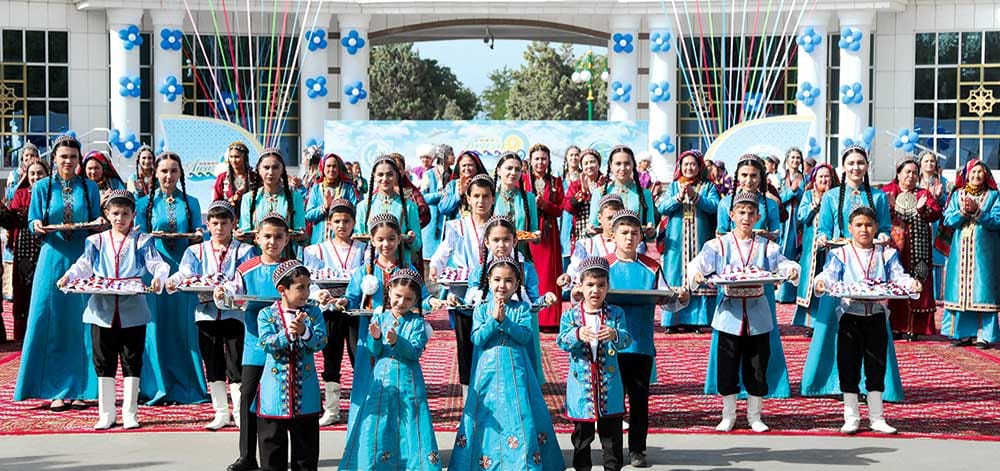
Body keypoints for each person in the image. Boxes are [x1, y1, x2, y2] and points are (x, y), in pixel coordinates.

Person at [688, 191, 800, 433]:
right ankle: (728, 414)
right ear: (731, 215)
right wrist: (697, 275)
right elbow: (698, 264)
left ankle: (754, 415)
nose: (746, 217)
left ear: (758, 216)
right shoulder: (718, 245)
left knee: (757, 365)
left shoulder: (767, 246)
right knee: (727, 365)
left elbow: (783, 263)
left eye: (751, 213)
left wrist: (791, 270)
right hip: (729, 314)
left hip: (758, 313)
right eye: (741, 212)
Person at [58, 190, 169, 429]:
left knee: (132, 358)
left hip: (133, 308)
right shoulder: (96, 241)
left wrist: (159, 277)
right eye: (115, 213)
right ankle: (106, 413)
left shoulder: (142, 241)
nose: (120, 218)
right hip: (102, 308)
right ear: (107, 214)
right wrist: (70, 275)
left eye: (125, 213)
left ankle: (130, 413)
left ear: (133, 215)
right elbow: (84, 264)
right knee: (103, 360)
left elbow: (157, 263)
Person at [801, 145, 903, 401]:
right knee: (835, 325)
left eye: (860, 163)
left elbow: (886, 228)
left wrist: (881, 236)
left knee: (872, 328)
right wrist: (825, 239)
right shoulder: (832, 197)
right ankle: (834, 383)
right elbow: (823, 228)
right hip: (841, 263)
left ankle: (875, 385)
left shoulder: (878, 197)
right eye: (851, 163)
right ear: (843, 167)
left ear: (867, 166)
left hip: (869, 266)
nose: (856, 167)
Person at [449, 256, 565, 471]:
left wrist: (506, 322)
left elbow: (524, 336)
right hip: (488, 372)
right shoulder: (482, 309)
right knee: (485, 413)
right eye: (497, 280)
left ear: (517, 284)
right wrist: (494, 320)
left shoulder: (521, 309)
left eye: (509, 281)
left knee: (519, 411)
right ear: (489, 282)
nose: (502, 285)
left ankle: (523, 463)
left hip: (516, 370)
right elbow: (477, 338)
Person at [590, 209, 687, 467]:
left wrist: (681, 298)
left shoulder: (652, 266)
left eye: (634, 233)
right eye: (624, 232)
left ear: (641, 236)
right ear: (612, 235)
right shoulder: (603, 264)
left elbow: (667, 300)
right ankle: (611, 452)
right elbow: (588, 296)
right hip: (608, 342)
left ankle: (637, 450)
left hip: (641, 342)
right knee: (611, 399)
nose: (629, 237)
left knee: (639, 399)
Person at [814, 206, 920, 434]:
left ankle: (876, 417)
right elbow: (829, 274)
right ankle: (851, 416)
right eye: (859, 225)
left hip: (876, 316)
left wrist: (911, 284)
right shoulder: (840, 253)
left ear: (876, 228)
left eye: (869, 225)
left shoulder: (886, 253)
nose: (864, 229)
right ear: (850, 228)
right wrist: (822, 282)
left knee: (877, 364)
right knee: (848, 364)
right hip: (850, 315)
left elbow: (898, 277)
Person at [15, 134, 102, 410]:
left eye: (73, 157)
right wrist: (37, 224)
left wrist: (99, 222)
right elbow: (33, 220)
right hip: (51, 258)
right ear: (54, 159)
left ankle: (83, 388)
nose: (68, 161)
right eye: (63, 156)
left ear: (79, 160)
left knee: (82, 323)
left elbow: (97, 219)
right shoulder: (42, 186)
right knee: (47, 319)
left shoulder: (89, 188)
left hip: (82, 258)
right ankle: (53, 389)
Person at [215, 213, 298, 471]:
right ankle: (247, 456)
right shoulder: (246, 268)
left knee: (291, 398)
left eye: (278, 237)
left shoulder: (293, 269)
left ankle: (295, 457)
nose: (272, 242)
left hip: (287, 346)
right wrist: (222, 293)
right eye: (267, 237)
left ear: (286, 240)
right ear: (258, 238)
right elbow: (231, 291)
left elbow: (309, 291)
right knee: (248, 395)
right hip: (256, 346)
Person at [339, 269, 441, 470]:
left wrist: (397, 341)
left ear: (415, 300)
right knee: (378, 423)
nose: (401, 302)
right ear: (389, 291)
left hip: (409, 383)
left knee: (411, 424)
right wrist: (376, 338)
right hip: (382, 383)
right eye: (398, 296)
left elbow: (414, 352)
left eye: (408, 299)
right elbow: (373, 350)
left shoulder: (418, 323)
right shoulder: (379, 318)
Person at [167, 200, 256, 430]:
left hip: (234, 314)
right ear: (207, 224)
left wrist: (227, 289)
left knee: (236, 363)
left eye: (224, 223)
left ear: (233, 223)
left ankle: (239, 413)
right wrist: (173, 281)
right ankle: (221, 412)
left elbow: (243, 278)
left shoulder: (244, 250)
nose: (219, 228)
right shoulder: (195, 250)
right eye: (214, 223)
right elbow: (186, 273)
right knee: (213, 362)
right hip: (205, 314)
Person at [334, 213, 425, 432]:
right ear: (372, 240)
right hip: (370, 333)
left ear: (399, 239)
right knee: (368, 378)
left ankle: (400, 437)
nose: (386, 244)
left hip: (401, 332)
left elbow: (423, 297)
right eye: (381, 239)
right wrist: (343, 301)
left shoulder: (408, 269)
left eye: (392, 239)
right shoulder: (364, 271)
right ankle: (367, 434)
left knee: (400, 381)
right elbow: (352, 297)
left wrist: (435, 300)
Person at [135, 152, 206, 406]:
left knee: (183, 326)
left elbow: (200, 232)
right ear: (155, 173)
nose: (168, 176)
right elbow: (139, 238)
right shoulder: (143, 204)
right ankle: (157, 387)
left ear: (180, 174)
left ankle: (187, 388)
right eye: (164, 171)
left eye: (173, 171)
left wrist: (197, 234)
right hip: (154, 269)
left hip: (184, 267)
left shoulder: (192, 202)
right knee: (155, 326)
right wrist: (152, 237)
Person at [557, 256, 632, 471]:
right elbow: (561, 341)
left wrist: (615, 334)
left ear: (608, 287)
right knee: (582, 437)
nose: (595, 290)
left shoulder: (616, 314)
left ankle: (613, 468)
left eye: (601, 285)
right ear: (580, 286)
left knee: (612, 438)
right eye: (590, 285)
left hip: (610, 385)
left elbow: (627, 339)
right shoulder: (571, 316)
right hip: (581, 388)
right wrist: (577, 334)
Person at [465, 215, 557, 387]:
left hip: (519, 323)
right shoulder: (480, 271)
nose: (501, 245)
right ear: (487, 242)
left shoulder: (526, 268)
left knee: (522, 374)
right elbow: (470, 300)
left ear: (515, 241)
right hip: (488, 327)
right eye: (496, 240)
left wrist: (546, 299)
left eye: (506, 239)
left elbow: (533, 301)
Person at [255, 260, 327, 471]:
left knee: (306, 456)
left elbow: (321, 341)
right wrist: (288, 334)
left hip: (306, 395)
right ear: (282, 290)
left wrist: (305, 331)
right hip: (274, 395)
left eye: (308, 286)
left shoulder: (313, 313)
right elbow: (266, 343)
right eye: (300, 287)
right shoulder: (266, 314)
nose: (306, 292)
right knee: (272, 455)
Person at [427, 175, 496, 393]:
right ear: (467, 198)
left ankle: (490, 391)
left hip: (493, 290)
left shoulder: (499, 225)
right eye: (476, 196)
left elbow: (510, 251)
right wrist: (435, 266)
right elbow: (444, 250)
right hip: (462, 291)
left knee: (490, 340)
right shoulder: (457, 226)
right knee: (465, 341)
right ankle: (469, 394)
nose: (481, 201)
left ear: (493, 199)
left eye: (486, 196)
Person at [301, 199, 366, 426]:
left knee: (360, 356)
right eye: (337, 221)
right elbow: (309, 279)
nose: (341, 225)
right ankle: (332, 409)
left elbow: (366, 279)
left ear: (353, 223)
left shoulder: (364, 249)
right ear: (329, 223)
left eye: (346, 221)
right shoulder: (315, 250)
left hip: (354, 309)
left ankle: (363, 406)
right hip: (328, 310)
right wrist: (319, 294)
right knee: (331, 357)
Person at [657, 150, 720, 332]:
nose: (689, 167)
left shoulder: (708, 186)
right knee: (675, 274)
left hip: (700, 240)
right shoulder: (674, 186)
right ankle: (672, 320)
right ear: (680, 167)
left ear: (699, 166)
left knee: (700, 273)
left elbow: (714, 206)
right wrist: (678, 198)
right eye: (685, 164)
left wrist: (695, 196)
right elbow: (661, 206)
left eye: (693, 164)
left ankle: (698, 320)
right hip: (676, 242)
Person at [941, 159, 1000, 349]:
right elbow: (948, 220)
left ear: (986, 175)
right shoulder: (957, 195)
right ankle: (963, 334)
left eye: (980, 172)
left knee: (983, 292)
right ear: (966, 175)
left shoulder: (993, 196)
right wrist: (963, 212)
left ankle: (985, 336)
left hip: (984, 253)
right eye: (973, 172)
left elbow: (997, 221)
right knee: (960, 290)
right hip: (960, 253)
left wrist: (978, 212)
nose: (976, 176)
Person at [882, 157, 942, 341]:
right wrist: (889, 207)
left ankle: (916, 328)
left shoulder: (923, 194)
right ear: (898, 173)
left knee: (919, 282)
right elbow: (876, 215)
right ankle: (894, 326)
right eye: (907, 172)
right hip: (895, 248)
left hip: (918, 249)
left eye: (915, 172)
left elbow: (936, 213)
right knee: (894, 282)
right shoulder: (887, 192)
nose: (911, 176)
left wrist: (923, 210)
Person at [0, 160, 48, 341]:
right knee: (24, 289)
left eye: (40, 173)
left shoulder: (53, 194)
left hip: (47, 246)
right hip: (25, 249)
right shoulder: (20, 194)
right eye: (32, 173)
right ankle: (22, 336)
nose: (36, 177)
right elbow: (10, 219)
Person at [792, 163, 839, 334]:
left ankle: (829, 321)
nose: (824, 180)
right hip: (812, 248)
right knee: (812, 282)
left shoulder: (836, 196)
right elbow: (802, 216)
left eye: (827, 176)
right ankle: (811, 324)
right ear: (814, 179)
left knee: (830, 280)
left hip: (831, 247)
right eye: (821, 177)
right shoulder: (808, 195)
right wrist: (816, 204)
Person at [523, 144, 564, 331]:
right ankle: (531, 316)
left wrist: (544, 204)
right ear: (530, 161)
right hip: (528, 233)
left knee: (549, 275)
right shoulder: (523, 181)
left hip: (548, 234)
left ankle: (550, 319)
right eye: (537, 158)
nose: (540, 162)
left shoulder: (556, 182)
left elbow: (560, 210)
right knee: (530, 274)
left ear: (549, 160)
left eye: (543, 158)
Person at [355, 155, 423, 266]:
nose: (385, 179)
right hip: (371, 266)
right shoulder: (363, 206)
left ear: (397, 176)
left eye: (390, 174)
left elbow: (418, 245)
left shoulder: (409, 206)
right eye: (380, 175)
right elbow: (358, 239)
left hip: (401, 267)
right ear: (374, 176)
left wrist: (411, 239)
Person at [238, 148, 306, 249]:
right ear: (259, 170)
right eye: (266, 167)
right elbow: (245, 233)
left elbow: (300, 231)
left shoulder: (295, 197)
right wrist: (239, 236)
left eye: (275, 167)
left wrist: (301, 236)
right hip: (256, 257)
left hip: (286, 258)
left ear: (282, 169)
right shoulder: (248, 198)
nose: (270, 172)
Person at [588, 146, 656, 240]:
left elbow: (651, 233)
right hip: (606, 249)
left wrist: (650, 232)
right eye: (618, 164)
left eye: (627, 163)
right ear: (611, 166)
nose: (623, 168)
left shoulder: (645, 193)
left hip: (634, 248)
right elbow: (592, 227)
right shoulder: (599, 193)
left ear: (633, 165)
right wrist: (590, 230)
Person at [303, 152, 360, 245]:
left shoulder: (348, 188)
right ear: (323, 168)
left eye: (334, 166)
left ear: (339, 168)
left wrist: (341, 208)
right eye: (328, 166)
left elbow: (355, 212)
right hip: (319, 242)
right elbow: (309, 215)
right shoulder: (316, 188)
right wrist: (324, 207)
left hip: (343, 243)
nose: (331, 169)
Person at [918, 150, 950, 300]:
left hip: (936, 223)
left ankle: (937, 296)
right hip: (919, 222)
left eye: (932, 161)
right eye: (926, 161)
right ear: (921, 164)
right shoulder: (916, 181)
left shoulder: (942, 181)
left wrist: (940, 196)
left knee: (937, 258)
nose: (929, 164)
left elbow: (948, 204)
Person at [561, 148, 605, 257]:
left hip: (603, 232)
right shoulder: (576, 185)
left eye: (592, 162)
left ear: (599, 164)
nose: (589, 166)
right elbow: (567, 208)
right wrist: (582, 193)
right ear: (582, 166)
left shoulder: (606, 183)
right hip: (581, 233)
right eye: (586, 163)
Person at [776, 148, 804, 303]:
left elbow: (807, 197)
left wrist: (797, 192)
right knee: (782, 253)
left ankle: (794, 293)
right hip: (783, 221)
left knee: (796, 254)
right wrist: (791, 191)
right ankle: (782, 293)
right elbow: (777, 198)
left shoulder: (804, 178)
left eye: (798, 158)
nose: (795, 160)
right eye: (792, 157)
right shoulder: (780, 178)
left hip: (798, 222)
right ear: (787, 160)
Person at [493, 152, 540, 235]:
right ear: (498, 171)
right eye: (509, 168)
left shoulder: (529, 198)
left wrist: (536, 235)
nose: (513, 172)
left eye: (517, 169)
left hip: (521, 247)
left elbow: (534, 230)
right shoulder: (491, 197)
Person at [437, 150, 490, 222]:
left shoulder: (485, 184)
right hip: (458, 229)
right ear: (459, 168)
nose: (467, 168)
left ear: (477, 167)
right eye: (464, 165)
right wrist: (459, 194)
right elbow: (443, 209)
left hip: (481, 225)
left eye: (470, 165)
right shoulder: (452, 185)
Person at [213, 142, 262, 215]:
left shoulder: (255, 177)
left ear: (244, 157)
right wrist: (231, 200)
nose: (233, 160)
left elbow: (262, 198)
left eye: (237, 157)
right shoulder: (222, 178)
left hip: (252, 216)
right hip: (229, 219)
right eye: (231, 157)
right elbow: (216, 203)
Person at [560, 146, 582, 270]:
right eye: (571, 155)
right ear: (566, 158)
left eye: (576, 155)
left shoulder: (584, 177)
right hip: (562, 220)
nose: (574, 158)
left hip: (578, 219)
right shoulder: (560, 179)